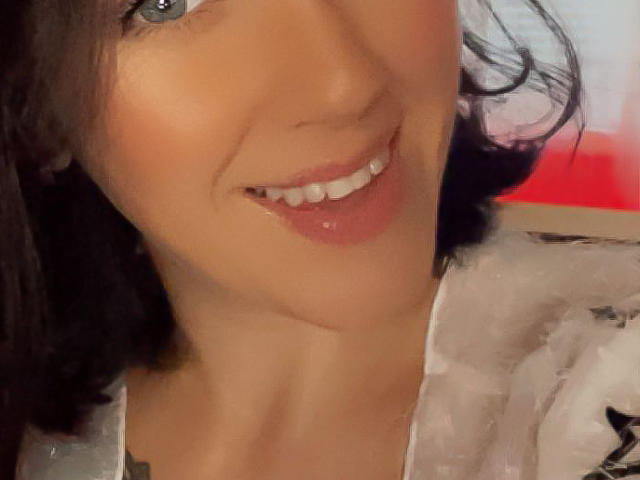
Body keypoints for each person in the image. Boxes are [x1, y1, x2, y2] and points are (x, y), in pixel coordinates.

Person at [0, 0, 589, 479]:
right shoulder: (31, 445)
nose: (343, 85)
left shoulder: (600, 404)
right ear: (38, 106)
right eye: (166, 5)